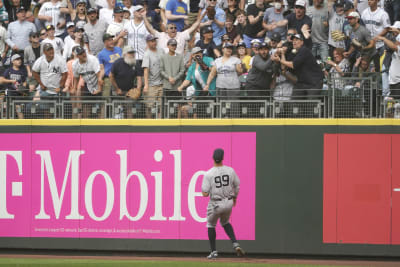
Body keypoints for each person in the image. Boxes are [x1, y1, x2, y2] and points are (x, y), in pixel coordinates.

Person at [201, 148, 245, 260]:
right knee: (225, 222)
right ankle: (235, 243)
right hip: (229, 202)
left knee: (211, 225)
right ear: (223, 158)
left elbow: (205, 193)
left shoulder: (209, 173)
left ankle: (214, 252)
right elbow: (237, 185)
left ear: (212, 158)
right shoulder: (230, 170)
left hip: (216, 203)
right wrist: (234, 198)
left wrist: (212, 190)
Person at [278, 33, 324, 98]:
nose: (294, 42)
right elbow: (284, 67)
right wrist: (282, 54)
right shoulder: (293, 53)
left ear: (302, 42)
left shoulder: (304, 50)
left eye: (296, 40)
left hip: (314, 82)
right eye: (293, 40)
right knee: (294, 102)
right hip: (302, 82)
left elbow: (293, 65)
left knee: (311, 103)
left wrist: (280, 60)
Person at [205, 42, 242, 117]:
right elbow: (212, 74)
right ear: (222, 49)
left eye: (230, 48)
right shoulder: (217, 61)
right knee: (222, 106)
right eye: (227, 48)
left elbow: (240, 71)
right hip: (221, 87)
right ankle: (222, 123)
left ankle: (235, 124)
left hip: (233, 87)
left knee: (234, 107)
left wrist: (240, 68)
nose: (229, 49)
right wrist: (207, 84)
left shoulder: (236, 60)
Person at [110, 45, 144, 118]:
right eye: (130, 53)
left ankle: (130, 128)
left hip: (130, 91)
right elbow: (111, 76)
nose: (132, 55)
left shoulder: (136, 63)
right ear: (124, 54)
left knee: (129, 111)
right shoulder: (117, 63)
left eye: (133, 53)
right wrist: (117, 89)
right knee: (117, 113)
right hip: (117, 90)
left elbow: (139, 78)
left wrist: (138, 90)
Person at [72, 46, 103, 118]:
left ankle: (101, 125)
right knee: (86, 106)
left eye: (84, 52)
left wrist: (99, 89)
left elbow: (99, 75)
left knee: (100, 105)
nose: (84, 54)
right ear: (77, 56)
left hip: (98, 83)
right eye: (81, 53)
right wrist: (74, 88)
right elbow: (76, 77)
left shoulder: (92, 59)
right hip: (88, 85)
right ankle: (86, 125)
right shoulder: (75, 64)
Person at [361, 0, 391, 72]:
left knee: (380, 67)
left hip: (380, 45)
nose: (369, 1)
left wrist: (377, 36)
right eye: (368, 0)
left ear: (377, 1)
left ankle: (379, 82)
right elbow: (361, 27)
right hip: (369, 45)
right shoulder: (364, 12)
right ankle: (364, 82)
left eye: (371, 0)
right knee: (364, 66)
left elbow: (387, 28)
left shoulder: (383, 13)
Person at [160, 38, 185, 117]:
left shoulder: (180, 57)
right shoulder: (163, 57)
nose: (173, 47)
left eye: (175, 45)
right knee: (167, 105)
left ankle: (178, 122)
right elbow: (161, 70)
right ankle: (167, 121)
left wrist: (175, 78)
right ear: (168, 46)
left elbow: (182, 70)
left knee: (179, 106)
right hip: (167, 85)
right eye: (172, 45)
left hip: (177, 86)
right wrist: (169, 78)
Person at [142, 34, 164, 118]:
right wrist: (146, 85)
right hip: (151, 84)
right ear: (147, 42)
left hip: (161, 83)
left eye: (155, 40)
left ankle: (160, 124)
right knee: (149, 106)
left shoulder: (161, 50)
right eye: (152, 41)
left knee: (160, 106)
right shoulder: (147, 54)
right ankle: (149, 124)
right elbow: (146, 70)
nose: (154, 42)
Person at [98, 33, 122, 98]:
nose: (111, 42)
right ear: (105, 43)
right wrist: (100, 78)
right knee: (106, 97)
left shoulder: (119, 49)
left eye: (112, 40)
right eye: (109, 40)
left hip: (119, 77)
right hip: (108, 78)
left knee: (120, 97)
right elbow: (102, 68)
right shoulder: (101, 54)